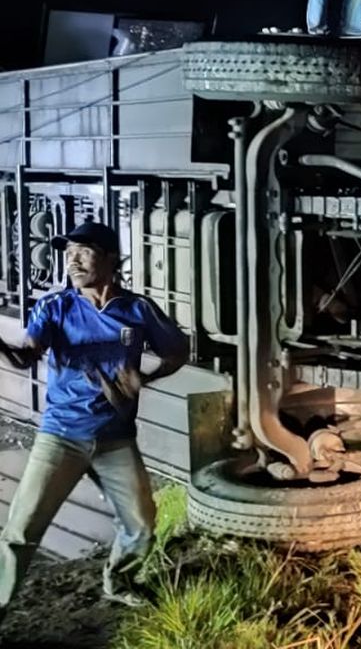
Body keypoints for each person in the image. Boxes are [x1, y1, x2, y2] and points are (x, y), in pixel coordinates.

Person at [0, 221, 188, 621]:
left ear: (110, 259)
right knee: (20, 531)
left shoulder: (138, 311)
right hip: (61, 435)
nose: (72, 260)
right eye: (68, 253)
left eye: (83, 252)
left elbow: (176, 352)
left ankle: (118, 581)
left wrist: (145, 377)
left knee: (141, 524)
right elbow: (29, 352)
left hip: (115, 437)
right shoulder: (56, 307)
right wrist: (10, 349)